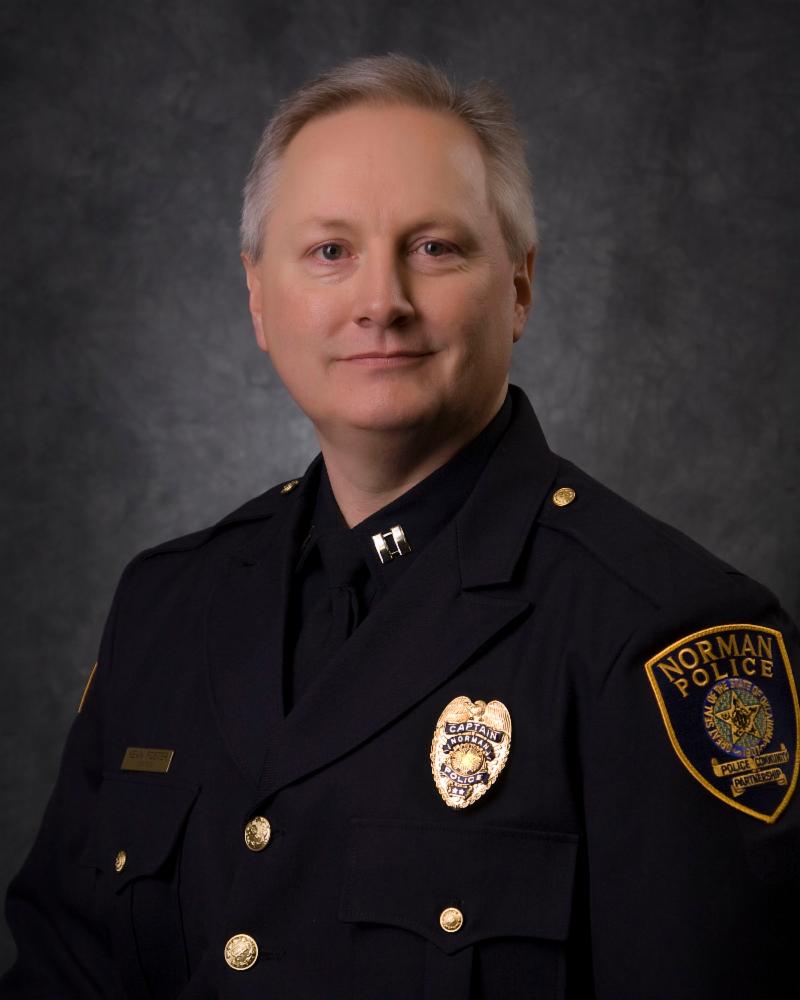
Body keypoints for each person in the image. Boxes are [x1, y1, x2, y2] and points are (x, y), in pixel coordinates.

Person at [1, 53, 797, 1000]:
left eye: (434, 248)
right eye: (330, 252)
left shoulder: (661, 636)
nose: (381, 302)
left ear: (520, 287)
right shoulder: (164, 605)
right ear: (258, 297)